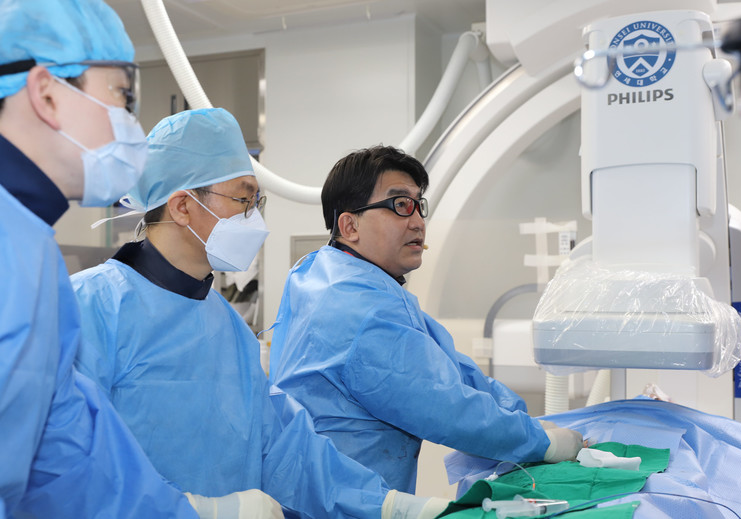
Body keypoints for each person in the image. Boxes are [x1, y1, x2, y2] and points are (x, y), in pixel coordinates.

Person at [71, 108, 450, 519]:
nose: (254, 216)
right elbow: (61, 460)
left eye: (256, 201)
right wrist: (192, 511)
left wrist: (390, 506)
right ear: (182, 206)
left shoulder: (227, 327)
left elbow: (287, 449)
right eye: (243, 199)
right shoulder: (88, 308)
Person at [269, 145, 584, 494]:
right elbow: (447, 407)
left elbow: (451, 369)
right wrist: (543, 442)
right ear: (350, 225)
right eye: (400, 204)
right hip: (345, 500)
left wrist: (523, 419)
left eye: (419, 205)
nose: (418, 221)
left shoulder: (328, 275)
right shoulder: (359, 309)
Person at [0, 0, 200, 517]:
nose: (130, 124)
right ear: (46, 93)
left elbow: (63, 443)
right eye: (122, 96)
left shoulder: (30, 244)